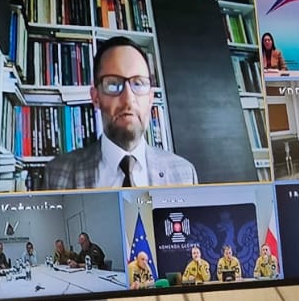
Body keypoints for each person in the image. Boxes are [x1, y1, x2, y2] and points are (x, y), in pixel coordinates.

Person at [44, 37, 199, 188]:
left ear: (150, 98)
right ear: (96, 97)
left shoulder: (185, 175)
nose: (128, 99)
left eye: (138, 83)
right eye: (113, 84)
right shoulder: (56, 175)